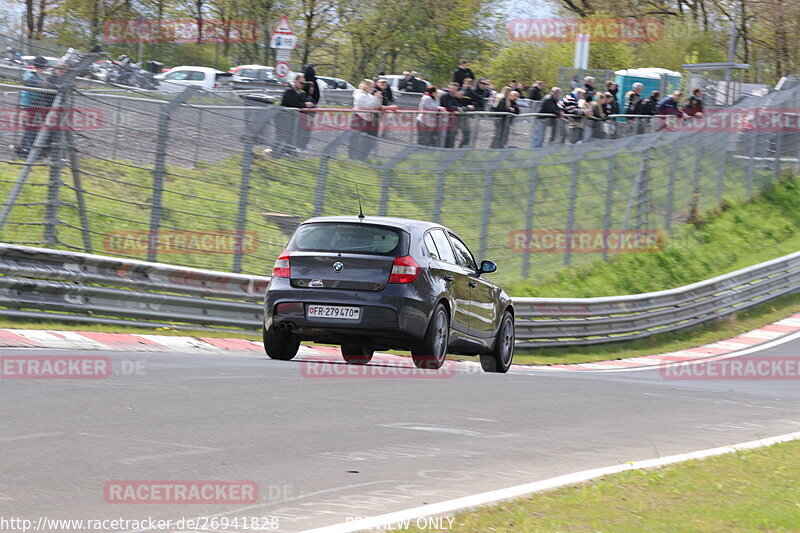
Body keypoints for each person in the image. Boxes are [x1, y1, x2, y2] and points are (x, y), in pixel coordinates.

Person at [15, 56, 51, 158]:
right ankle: (30, 150)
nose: (46, 69)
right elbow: (26, 94)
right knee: (28, 128)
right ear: (42, 67)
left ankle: (28, 149)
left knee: (32, 127)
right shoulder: (31, 76)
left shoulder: (36, 76)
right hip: (30, 106)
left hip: (35, 105)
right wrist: (24, 109)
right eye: (45, 66)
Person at [278, 73, 315, 154]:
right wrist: (305, 104)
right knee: (284, 137)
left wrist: (309, 87)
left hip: (294, 119)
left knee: (295, 135)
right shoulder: (289, 92)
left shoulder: (300, 93)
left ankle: (291, 151)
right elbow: (294, 103)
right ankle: (282, 151)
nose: (303, 85)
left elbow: (311, 101)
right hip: (285, 118)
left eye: (304, 83)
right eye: (301, 82)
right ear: (295, 82)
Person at [349, 79, 383, 160]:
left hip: (368, 120)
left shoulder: (369, 95)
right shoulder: (360, 95)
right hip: (359, 119)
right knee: (357, 140)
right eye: (371, 87)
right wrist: (376, 98)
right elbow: (369, 106)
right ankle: (354, 158)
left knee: (369, 140)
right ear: (366, 86)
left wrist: (379, 98)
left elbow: (376, 106)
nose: (373, 89)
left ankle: (362, 158)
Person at [440, 82, 469, 148]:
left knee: (453, 135)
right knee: (446, 136)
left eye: (455, 89)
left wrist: (462, 108)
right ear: (449, 88)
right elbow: (448, 106)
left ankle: (452, 149)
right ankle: (444, 149)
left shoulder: (457, 97)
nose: (453, 91)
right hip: (446, 119)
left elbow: (462, 106)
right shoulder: (444, 96)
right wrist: (457, 108)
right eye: (452, 89)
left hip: (455, 120)